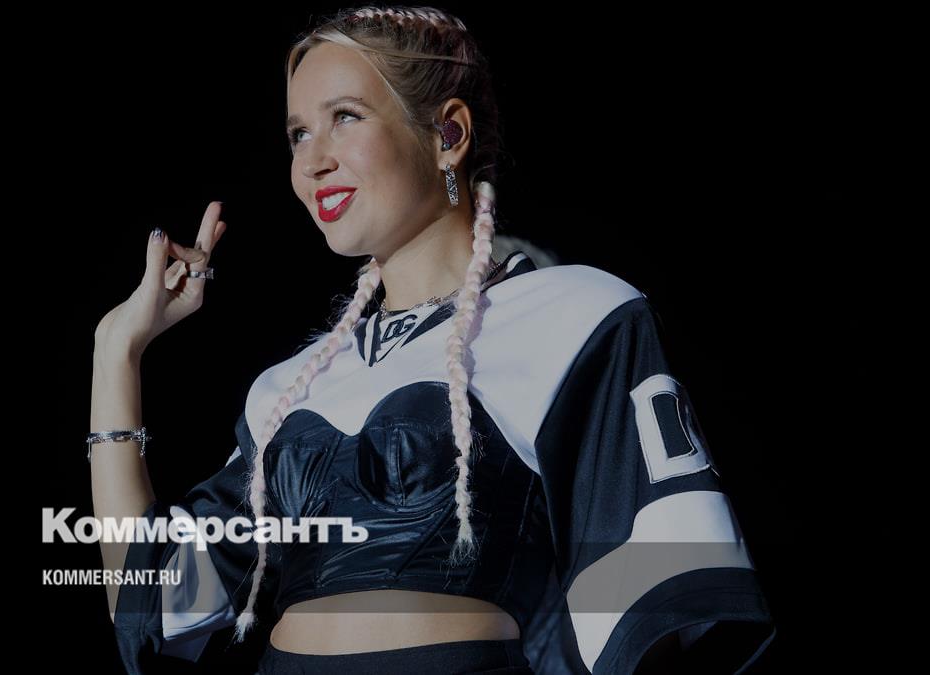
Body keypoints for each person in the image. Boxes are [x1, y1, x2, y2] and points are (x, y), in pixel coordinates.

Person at [90, 6, 776, 674]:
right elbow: (154, 602)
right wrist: (116, 349)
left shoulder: (576, 315)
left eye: (345, 117)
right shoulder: (288, 388)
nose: (312, 161)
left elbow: (663, 593)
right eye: (298, 134)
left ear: (448, 134)